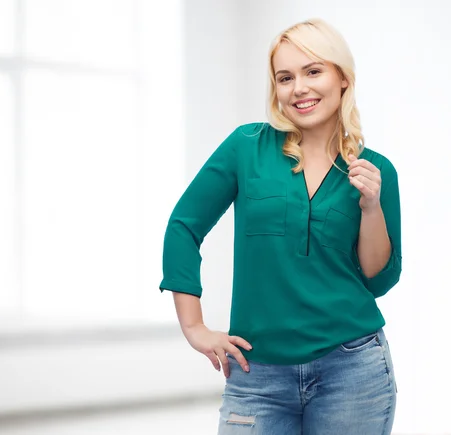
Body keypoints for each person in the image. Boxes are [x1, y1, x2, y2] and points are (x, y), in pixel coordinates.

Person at [159, 17, 402, 435]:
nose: (299, 88)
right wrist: (194, 326)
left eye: (313, 71)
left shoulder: (375, 170)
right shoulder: (246, 148)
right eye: (285, 77)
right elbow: (184, 225)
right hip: (258, 374)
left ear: (342, 78)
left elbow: (378, 279)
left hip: (352, 370)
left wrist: (372, 206)